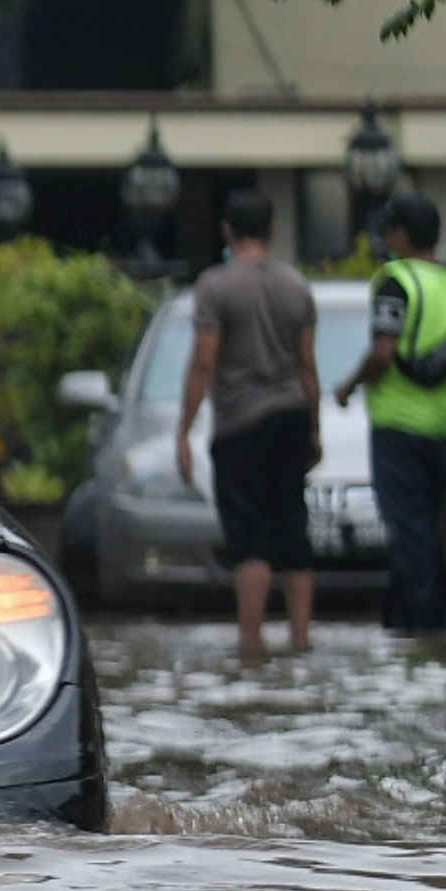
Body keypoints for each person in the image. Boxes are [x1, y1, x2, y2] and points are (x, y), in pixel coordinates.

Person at [177, 185, 319, 661]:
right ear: (273, 232)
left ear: (227, 230)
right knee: (292, 525)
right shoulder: (296, 285)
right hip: (292, 415)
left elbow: (203, 363)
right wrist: (314, 426)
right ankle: (301, 640)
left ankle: (251, 644)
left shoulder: (216, 286)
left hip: (241, 423)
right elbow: (307, 366)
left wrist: (184, 430)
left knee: (249, 536)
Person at [334, 190, 446, 633]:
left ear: (400, 234)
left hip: (402, 428)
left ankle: (422, 635)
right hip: (445, 427)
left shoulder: (396, 279)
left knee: (412, 537)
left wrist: (348, 386)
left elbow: (383, 352)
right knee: (436, 537)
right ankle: (405, 628)